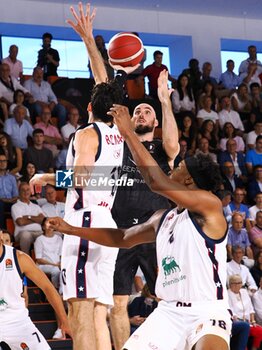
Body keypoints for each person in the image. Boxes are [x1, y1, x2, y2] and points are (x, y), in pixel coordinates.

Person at [47, 108, 232, 350]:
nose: (172, 168)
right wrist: (71, 225)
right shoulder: (122, 158)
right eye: (137, 111)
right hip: (167, 305)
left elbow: (157, 178)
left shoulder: (207, 204)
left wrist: (162, 100)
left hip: (206, 310)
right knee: (118, 303)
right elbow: (94, 184)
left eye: (147, 111)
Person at [0, 231, 71, 349]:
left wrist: (64, 320)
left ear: (1, 235)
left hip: (17, 322)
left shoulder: (19, 258)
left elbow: (48, 288)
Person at [228, 274, 262, 350]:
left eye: (241, 282)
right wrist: (238, 320)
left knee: (260, 331)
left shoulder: (244, 292)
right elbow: (230, 311)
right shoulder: (228, 294)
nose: (241, 285)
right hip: (237, 323)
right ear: (232, 284)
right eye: (238, 283)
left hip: (248, 322)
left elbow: (251, 308)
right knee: (244, 329)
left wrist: (253, 320)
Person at [11, 182, 45, 255]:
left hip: (39, 232)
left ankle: (46, 262)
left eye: (27, 190)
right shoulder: (15, 206)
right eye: (23, 190)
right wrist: (36, 219)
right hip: (22, 233)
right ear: (19, 192)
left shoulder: (36, 206)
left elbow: (42, 220)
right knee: (26, 235)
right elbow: (20, 222)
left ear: (30, 191)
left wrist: (28, 217)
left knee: (53, 234)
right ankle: (26, 259)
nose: (26, 192)